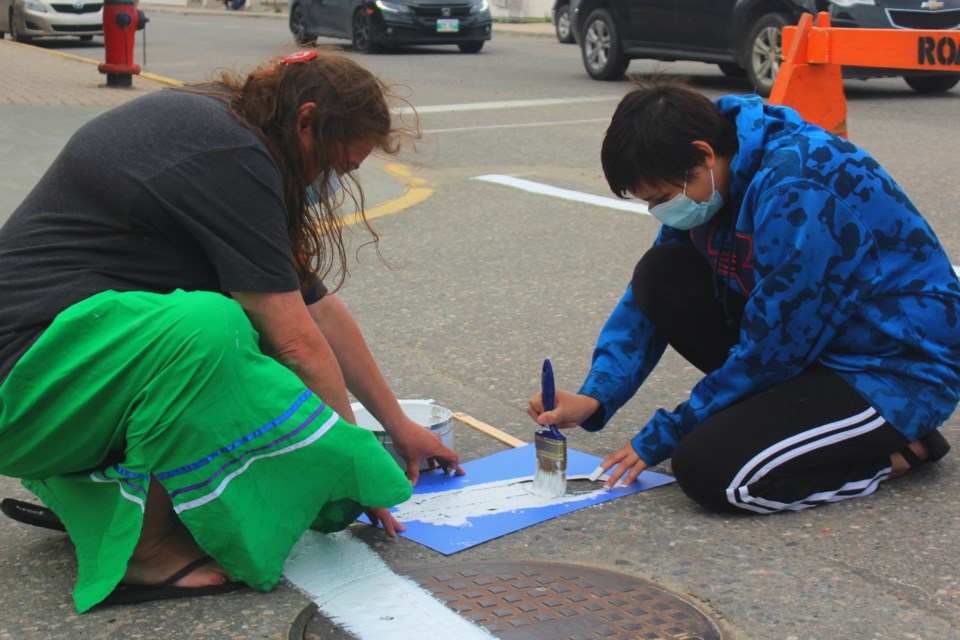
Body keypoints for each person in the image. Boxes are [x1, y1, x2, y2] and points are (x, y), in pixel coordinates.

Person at [0, 49, 461, 613]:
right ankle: (143, 551)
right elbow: (296, 342)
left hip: (56, 378)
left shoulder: (228, 131)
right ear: (306, 120)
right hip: (24, 390)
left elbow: (317, 310)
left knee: (236, 332)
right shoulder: (232, 153)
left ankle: (104, 499)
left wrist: (398, 424)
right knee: (213, 327)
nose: (332, 183)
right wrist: (352, 466)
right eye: (335, 166)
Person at [528, 77, 959, 515]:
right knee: (660, 273)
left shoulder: (800, 188)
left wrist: (666, 432)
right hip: (813, 349)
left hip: (891, 369)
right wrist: (595, 396)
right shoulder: (712, 175)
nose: (658, 211)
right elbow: (644, 305)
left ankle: (893, 456)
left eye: (659, 198)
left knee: (712, 472)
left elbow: (774, 349)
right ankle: (806, 425)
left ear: (703, 154)